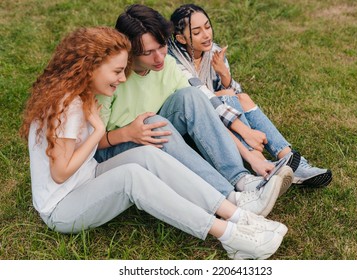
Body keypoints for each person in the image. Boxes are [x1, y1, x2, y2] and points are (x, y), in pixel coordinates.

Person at [20, 26, 290, 260]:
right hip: (62, 206)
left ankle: (237, 213)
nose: (123, 78)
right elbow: (60, 173)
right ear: (90, 67)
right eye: (116, 71)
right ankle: (231, 236)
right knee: (131, 178)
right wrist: (98, 130)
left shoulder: (83, 93)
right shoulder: (68, 106)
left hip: (88, 177)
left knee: (149, 156)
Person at [95, 5, 295, 217]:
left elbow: (205, 113)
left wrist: (250, 156)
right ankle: (230, 198)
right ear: (129, 51)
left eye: (161, 46)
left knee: (192, 96)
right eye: (147, 53)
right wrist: (127, 133)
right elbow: (92, 145)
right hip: (113, 146)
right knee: (153, 124)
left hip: (156, 129)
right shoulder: (111, 77)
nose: (159, 58)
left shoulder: (167, 66)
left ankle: (241, 179)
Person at [168, 4, 332, 187]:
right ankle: (261, 163)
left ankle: (291, 159)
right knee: (228, 96)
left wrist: (224, 75)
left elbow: (233, 93)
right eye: (197, 32)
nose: (207, 35)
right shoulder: (173, 61)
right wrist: (247, 132)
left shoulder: (212, 51)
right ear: (181, 38)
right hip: (191, 126)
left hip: (216, 112)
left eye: (208, 26)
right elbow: (204, 97)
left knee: (242, 98)